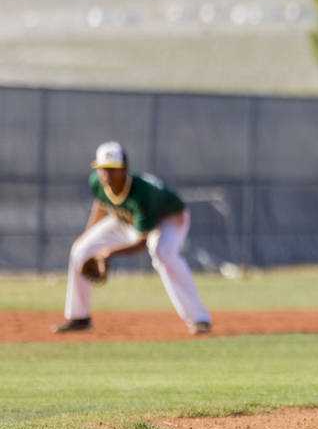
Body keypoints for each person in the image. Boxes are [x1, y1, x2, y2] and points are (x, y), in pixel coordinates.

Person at [52, 141, 213, 335]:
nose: (106, 175)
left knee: (162, 253)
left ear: (125, 169)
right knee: (80, 249)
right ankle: (79, 318)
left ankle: (199, 319)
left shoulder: (141, 194)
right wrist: (87, 236)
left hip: (168, 218)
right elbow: (101, 204)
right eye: (103, 169)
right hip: (127, 218)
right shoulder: (97, 181)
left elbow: (141, 242)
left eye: (112, 169)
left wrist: (107, 254)